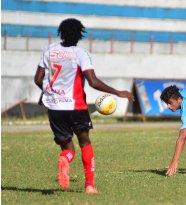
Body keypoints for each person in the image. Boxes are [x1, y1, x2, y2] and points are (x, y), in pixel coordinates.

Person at [34, 18, 134, 194]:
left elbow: (38, 79)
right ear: (79, 35)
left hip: (55, 108)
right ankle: (89, 185)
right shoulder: (80, 54)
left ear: (61, 33)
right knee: (85, 142)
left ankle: (65, 158)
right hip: (76, 106)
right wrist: (119, 92)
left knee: (67, 147)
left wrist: (49, 93)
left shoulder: (49, 50)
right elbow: (93, 81)